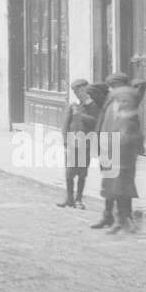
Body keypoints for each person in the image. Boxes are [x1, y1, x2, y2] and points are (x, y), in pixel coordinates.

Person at [93, 83, 143, 233]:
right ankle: (112, 217)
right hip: (112, 150)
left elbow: (132, 133)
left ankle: (123, 221)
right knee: (112, 185)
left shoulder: (128, 110)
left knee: (121, 187)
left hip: (124, 154)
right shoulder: (112, 107)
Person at [57, 79, 98, 208]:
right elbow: (65, 125)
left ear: (86, 90)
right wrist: (64, 141)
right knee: (69, 172)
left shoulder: (93, 106)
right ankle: (69, 198)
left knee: (82, 173)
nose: (78, 94)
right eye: (75, 92)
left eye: (80, 91)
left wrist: (82, 116)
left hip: (85, 144)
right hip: (71, 143)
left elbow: (96, 123)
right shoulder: (73, 106)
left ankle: (79, 199)